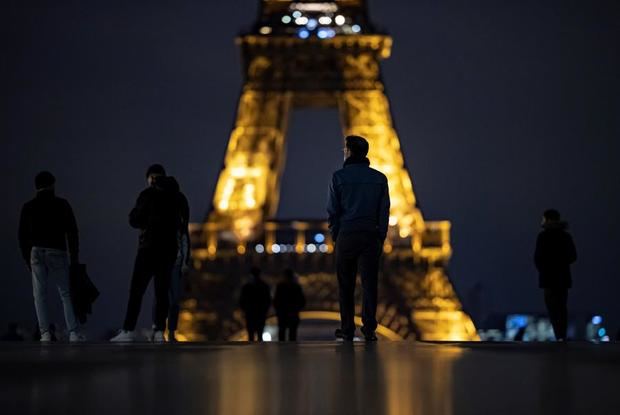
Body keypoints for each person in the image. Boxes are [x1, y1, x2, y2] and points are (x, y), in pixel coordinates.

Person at [327, 135, 390, 342]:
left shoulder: (338, 177)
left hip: (347, 233)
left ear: (349, 151)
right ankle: (369, 328)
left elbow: (333, 211)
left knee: (345, 284)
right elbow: (384, 211)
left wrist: (337, 234)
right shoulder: (380, 178)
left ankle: (347, 328)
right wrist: (380, 235)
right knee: (370, 283)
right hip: (370, 234)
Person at [111, 164, 182, 343]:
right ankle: (159, 330)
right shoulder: (176, 196)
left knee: (137, 291)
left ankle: (128, 329)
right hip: (168, 250)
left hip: (148, 249)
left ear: (150, 178)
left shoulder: (147, 195)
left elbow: (134, 219)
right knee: (162, 293)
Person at [18, 171, 86, 343]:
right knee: (65, 293)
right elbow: (72, 232)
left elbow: (22, 236)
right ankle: (73, 332)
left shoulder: (28, 207)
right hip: (57, 251)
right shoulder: (62, 205)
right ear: (52, 185)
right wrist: (74, 257)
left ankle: (45, 333)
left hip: (36, 252)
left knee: (39, 295)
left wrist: (28, 259)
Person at [534, 209, 577, 342]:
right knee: (562, 307)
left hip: (548, 279)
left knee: (552, 308)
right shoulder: (565, 237)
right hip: (563, 279)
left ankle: (558, 335)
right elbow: (573, 256)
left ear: (547, 219)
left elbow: (537, 258)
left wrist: (544, 269)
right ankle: (562, 335)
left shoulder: (542, 237)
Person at [164, 177, 190, 343]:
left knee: (173, 300)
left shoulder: (179, 225)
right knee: (167, 299)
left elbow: (185, 241)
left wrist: (185, 262)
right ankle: (162, 329)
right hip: (167, 262)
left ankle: (169, 330)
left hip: (175, 263)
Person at [239, 267, 271, 342]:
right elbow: (268, 300)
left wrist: (244, 309)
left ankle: (252, 348)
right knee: (260, 333)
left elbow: (242, 300)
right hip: (260, 312)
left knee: (251, 334)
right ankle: (260, 350)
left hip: (250, 312)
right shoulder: (264, 286)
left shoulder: (247, 286)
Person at [273, 269, 306, 341]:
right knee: (292, 335)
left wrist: (278, 310)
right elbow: (302, 301)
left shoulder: (280, 286)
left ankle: (281, 350)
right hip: (293, 313)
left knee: (282, 334)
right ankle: (292, 350)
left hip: (282, 313)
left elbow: (276, 300)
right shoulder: (296, 287)